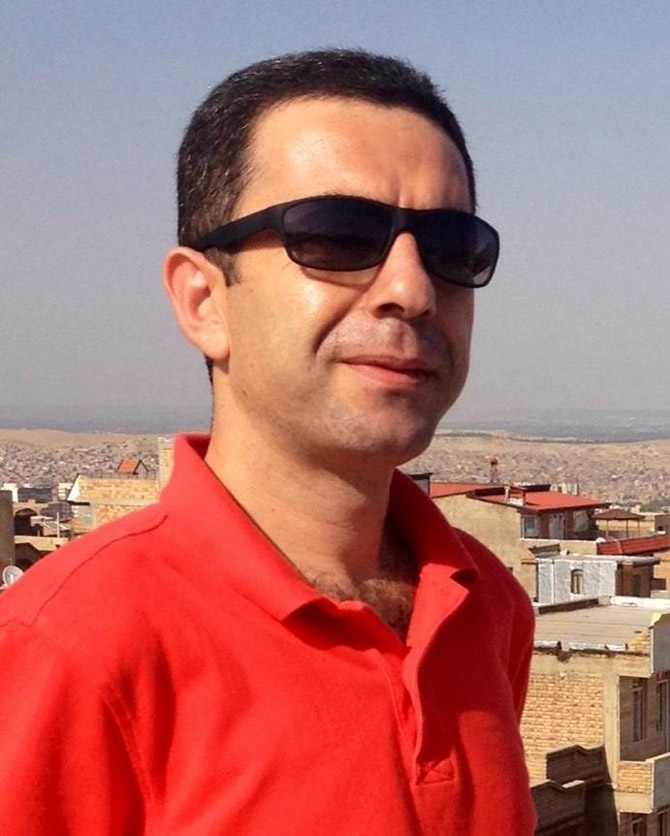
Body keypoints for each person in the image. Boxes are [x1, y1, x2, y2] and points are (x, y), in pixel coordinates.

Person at [0, 50, 536, 834]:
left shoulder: (486, 610)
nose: (412, 289)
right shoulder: (72, 647)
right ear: (203, 301)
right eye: (337, 235)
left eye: (452, 248)